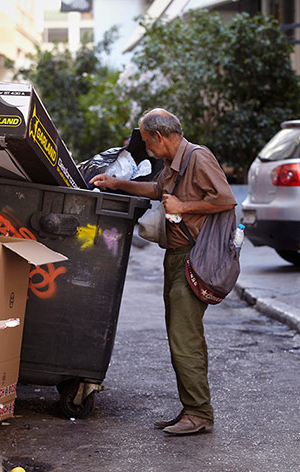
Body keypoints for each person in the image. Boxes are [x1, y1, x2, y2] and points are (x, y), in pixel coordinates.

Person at [90, 108, 236, 435]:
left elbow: (225, 200)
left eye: (146, 141)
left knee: (185, 339)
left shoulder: (198, 158)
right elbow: (158, 191)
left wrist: (183, 207)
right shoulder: (174, 164)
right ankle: (192, 408)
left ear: (159, 136)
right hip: (176, 256)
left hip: (194, 259)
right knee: (180, 337)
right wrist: (118, 183)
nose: (147, 147)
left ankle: (199, 413)